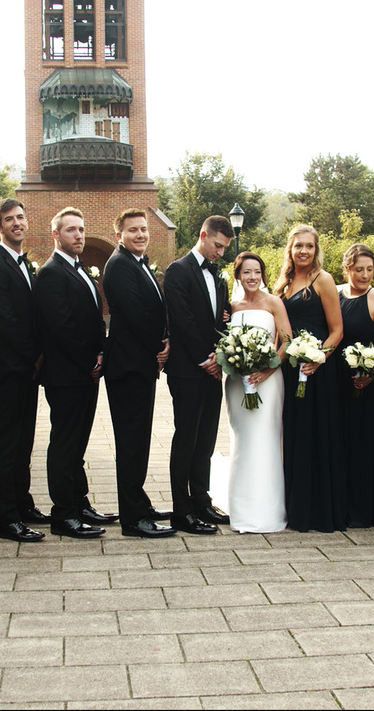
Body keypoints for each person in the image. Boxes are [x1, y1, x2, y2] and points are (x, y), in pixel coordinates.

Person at [34, 207, 113, 539]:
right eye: (71, 230)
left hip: (86, 373)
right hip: (66, 375)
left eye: (81, 229)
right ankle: (63, 513)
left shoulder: (81, 270)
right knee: (64, 444)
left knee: (78, 443)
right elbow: (61, 327)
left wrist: (101, 352)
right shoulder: (51, 273)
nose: (78, 235)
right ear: (56, 235)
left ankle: (79, 503)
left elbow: (94, 319)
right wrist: (88, 360)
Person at [100, 209, 175, 538]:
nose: (141, 234)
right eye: (133, 230)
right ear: (120, 235)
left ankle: (139, 503)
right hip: (128, 367)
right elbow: (135, 315)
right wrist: (160, 346)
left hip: (140, 366)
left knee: (140, 441)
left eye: (144, 229)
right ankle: (133, 519)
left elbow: (155, 310)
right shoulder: (118, 266)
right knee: (130, 443)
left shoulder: (138, 263)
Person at [0, 198, 48, 543]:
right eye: (10, 219)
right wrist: (33, 355)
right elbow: (5, 322)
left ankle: (23, 504)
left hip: (29, 371)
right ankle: (7, 518)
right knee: (6, 445)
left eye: (21, 217)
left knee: (24, 443)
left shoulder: (26, 264)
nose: (17, 223)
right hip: (10, 369)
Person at [164, 215, 234, 535]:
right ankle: (182, 510)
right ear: (203, 235)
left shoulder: (219, 275)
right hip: (188, 371)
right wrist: (204, 359)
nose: (221, 252)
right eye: (218, 245)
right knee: (186, 440)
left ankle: (202, 501)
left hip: (213, 370)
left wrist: (220, 357)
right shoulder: (178, 270)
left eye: (225, 248)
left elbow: (220, 318)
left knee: (205, 440)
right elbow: (182, 320)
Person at [274, 226, 346, 532]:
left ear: (316, 250)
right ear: (289, 249)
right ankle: (294, 507)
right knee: (292, 434)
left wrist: (319, 359)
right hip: (289, 370)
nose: (304, 251)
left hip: (316, 371)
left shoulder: (323, 279)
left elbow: (337, 330)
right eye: (298, 246)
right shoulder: (284, 283)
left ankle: (318, 511)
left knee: (316, 435)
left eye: (309, 246)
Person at [222, 252, 291, 534]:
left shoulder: (273, 302)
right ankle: (241, 511)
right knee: (243, 441)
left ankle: (268, 512)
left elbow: (286, 341)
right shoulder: (232, 307)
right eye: (247, 272)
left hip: (269, 380)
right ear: (238, 275)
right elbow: (225, 342)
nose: (253, 277)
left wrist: (267, 371)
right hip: (238, 382)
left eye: (257, 272)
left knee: (266, 440)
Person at [335, 244, 374, 529]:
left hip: (366, 387)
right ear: (347, 269)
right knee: (339, 445)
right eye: (359, 269)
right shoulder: (334, 294)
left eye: (369, 270)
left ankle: (364, 511)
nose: (365, 275)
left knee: (361, 447)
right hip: (337, 385)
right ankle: (339, 507)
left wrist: (370, 372)